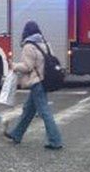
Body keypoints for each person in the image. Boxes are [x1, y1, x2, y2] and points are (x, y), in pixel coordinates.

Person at [4, 20, 64, 150]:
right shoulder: (45, 44)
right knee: (28, 110)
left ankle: (55, 140)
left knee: (44, 112)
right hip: (45, 80)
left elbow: (27, 67)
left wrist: (13, 66)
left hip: (36, 82)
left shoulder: (28, 46)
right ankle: (16, 134)